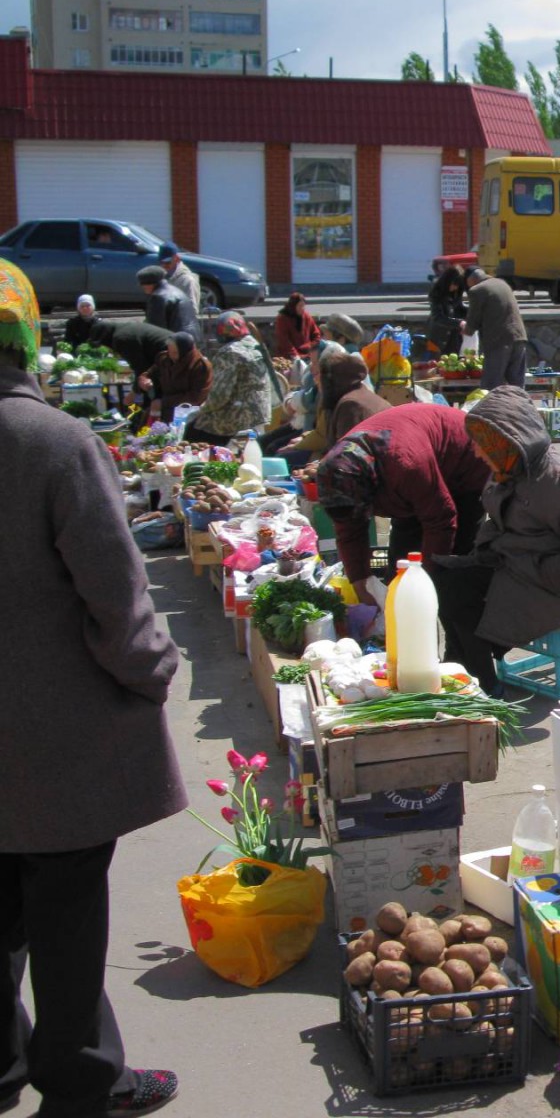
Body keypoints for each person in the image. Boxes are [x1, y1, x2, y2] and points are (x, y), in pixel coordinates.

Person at [0, 257, 184, 1117]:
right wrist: (152, 676)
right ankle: (80, 1081)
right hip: (53, 738)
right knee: (67, 912)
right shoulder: (50, 442)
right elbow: (117, 598)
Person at [433, 387, 560, 692]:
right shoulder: (507, 468)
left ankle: (485, 685)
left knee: (460, 596)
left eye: (483, 445)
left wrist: (545, 570)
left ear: (507, 441)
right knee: (442, 576)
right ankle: (462, 666)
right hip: (516, 569)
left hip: (555, 587)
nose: (478, 453)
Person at [315, 405, 491, 607]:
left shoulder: (405, 465)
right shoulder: (338, 476)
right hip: (414, 471)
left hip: (465, 460)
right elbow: (349, 529)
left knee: (452, 569)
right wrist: (361, 582)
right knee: (401, 566)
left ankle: (459, 618)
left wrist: (425, 583)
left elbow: (441, 520)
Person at [184, 312, 273, 447]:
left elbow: (219, 397)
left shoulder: (230, 352)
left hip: (238, 417)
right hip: (260, 414)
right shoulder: (256, 345)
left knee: (191, 432)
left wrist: (198, 411)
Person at [464, 267, 528, 390]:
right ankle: (519, 408)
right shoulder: (502, 284)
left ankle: (491, 410)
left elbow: (473, 319)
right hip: (519, 337)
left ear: (471, 279)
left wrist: (467, 330)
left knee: (491, 385)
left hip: (499, 341)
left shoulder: (477, 290)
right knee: (517, 385)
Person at [62, 315, 173, 381]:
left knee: (153, 392)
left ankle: (144, 414)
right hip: (168, 350)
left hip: (171, 352)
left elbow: (140, 367)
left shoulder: (122, 338)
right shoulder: (122, 329)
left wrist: (134, 392)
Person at [142, 332, 212, 423]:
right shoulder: (164, 359)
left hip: (187, 414)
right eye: (170, 351)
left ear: (186, 351)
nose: (172, 356)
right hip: (162, 409)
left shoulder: (200, 366)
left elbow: (196, 397)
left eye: (175, 352)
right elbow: (151, 373)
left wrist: (163, 402)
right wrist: (144, 379)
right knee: (144, 428)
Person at [137, 265, 197, 340]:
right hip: (192, 339)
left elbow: (155, 329)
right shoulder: (176, 291)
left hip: (177, 343)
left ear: (149, 284)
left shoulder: (158, 297)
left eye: (142, 285)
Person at [426, 266, 467, 357]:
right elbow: (438, 317)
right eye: (454, 284)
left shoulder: (455, 293)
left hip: (453, 337)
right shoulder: (436, 294)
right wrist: (459, 322)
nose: (455, 287)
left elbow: (460, 307)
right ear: (448, 281)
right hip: (438, 337)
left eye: (458, 285)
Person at [156, 242, 201, 315]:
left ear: (177, 259)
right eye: (162, 262)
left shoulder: (188, 280)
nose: (164, 265)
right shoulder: (163, 278)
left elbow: (192, 310)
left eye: (167, 262)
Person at [273, 292, 321, 359]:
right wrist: (296, 356)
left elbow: (316, 334)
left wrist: (310, 346)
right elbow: (284, 341)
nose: (302, 308)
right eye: (300, 306)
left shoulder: (306, 316)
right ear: (293, 306)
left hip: (307, 353)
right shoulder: (283, 318)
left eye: (303, 306)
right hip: (288, 356)